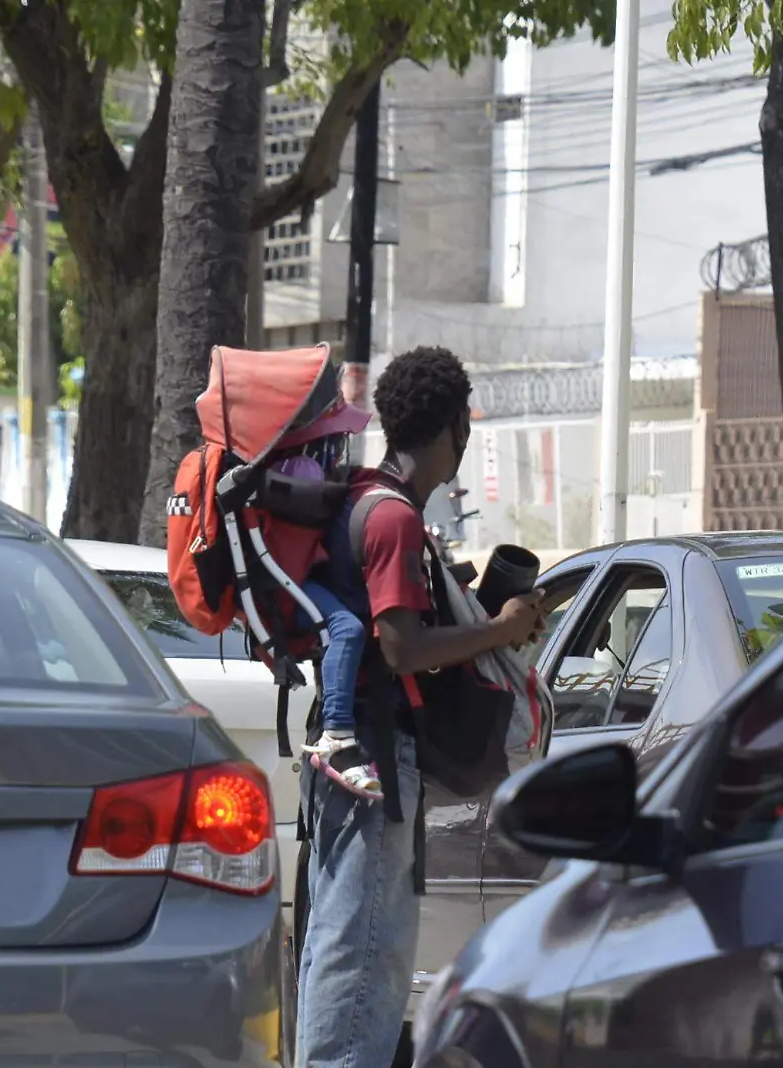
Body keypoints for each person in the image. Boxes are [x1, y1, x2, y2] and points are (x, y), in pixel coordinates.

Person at [295, 346, 546, 1068]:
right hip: (372, 760)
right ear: (449, 431)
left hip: (346, 752)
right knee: (365, 950)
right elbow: (402, 647)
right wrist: (499, 631)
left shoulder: (361, 501)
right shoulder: (394, 519)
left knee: (340, 946)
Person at [270, 432, 381, 800]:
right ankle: (336, 732)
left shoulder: (288, 467)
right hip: (287, 585)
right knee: (347, 630)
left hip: (291, 580)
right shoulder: (302, 470)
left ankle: (340, 738)